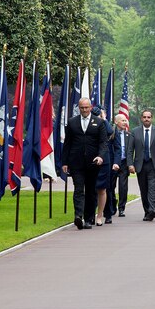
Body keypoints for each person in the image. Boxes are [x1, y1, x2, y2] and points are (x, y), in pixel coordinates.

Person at [62, 97, 107, 229]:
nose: (84, 110)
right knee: (78, 189)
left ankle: (88, 218)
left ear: (91, 108)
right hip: (76, 162)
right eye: (82, 107)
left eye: (86, 107)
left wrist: (100, 156)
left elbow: (103, 143)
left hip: (93, 163)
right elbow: (67, 143)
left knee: (91, 191)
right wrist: (65, 162)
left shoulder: (99, 122)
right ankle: (78, 216)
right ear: (79, 108)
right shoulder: (72, 122)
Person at [127, 110, 155, 221]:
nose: (146, 119)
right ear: (141, 118)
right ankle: (147, 211)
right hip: (140, 165)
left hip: (153, 164)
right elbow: (130, 150)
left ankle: (152, 210)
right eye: (144, 117)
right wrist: (130, 164)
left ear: (152, 118)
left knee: (153, 189)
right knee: (143, 190)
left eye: (148, 117)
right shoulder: (135, 132)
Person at [91, 105, 114, 226]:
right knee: (91, 188)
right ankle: (90, 214)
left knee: (104, 188)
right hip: (91, 157)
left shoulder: (104, 124)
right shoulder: (91, 123)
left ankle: (104, 215)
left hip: (104, 159)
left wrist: (104, 118)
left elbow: (110, 132)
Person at [111, 114, 130, 217]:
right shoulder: (111, 133)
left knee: (123, 186)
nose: (124, 122)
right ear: (116, 122)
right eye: (122, 120)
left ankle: (122, 208)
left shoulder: (128, 135)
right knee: (111, 186)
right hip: (113, 162)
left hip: (124, 163)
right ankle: (113, 203)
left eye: (125, 120)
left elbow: (131, 151)